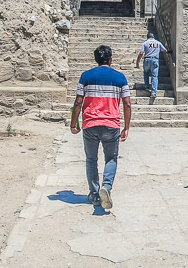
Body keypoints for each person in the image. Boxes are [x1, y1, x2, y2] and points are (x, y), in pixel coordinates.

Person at [70, 45, 131, 210]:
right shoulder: (120, 78)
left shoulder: (86, 76)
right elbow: (127, 104)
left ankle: (95, 194)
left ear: (96, 60)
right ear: (111, 60)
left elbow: (78, 102)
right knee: (111, 159)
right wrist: (126, 127)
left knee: (91, 159)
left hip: (90, 124)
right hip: (111, 125)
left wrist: (73, 123)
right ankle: (107, 187)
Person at [135, 32, 169, 102]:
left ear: (147, 37)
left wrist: (137, 62)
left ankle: (147, 86)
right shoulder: (158, 43)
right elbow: (165, 50)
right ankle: (153, 92)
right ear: (153, 37)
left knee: (146, 72)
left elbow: (141, 53)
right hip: (155, 60)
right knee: (154, 76)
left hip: (147, 59)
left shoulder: (145, 43)